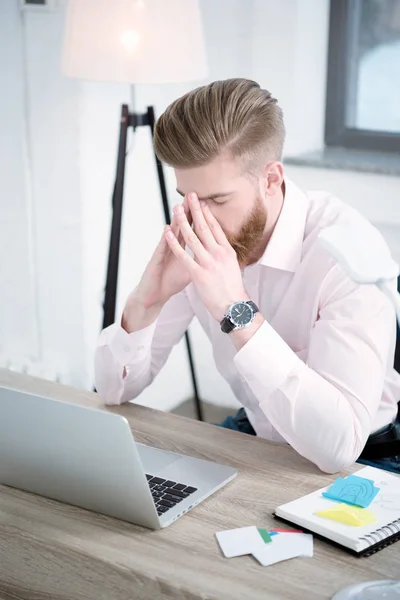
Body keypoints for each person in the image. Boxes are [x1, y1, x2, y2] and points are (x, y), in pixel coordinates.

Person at [95, 78, 400, 474]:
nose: (200, 219)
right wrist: (146, 302)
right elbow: (113, 391)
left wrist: (234, 309)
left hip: (367, 457)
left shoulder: (346, 253)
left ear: (271, 179)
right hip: (257, 433)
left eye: (218, 200)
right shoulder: (198, 243)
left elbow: (339, 446)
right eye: (187, 198)